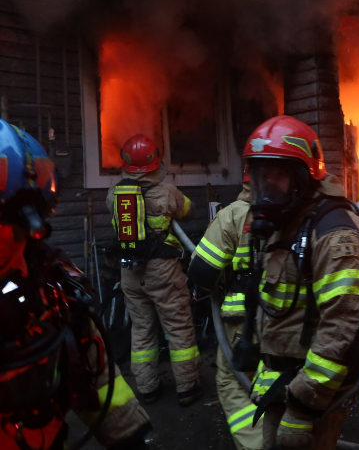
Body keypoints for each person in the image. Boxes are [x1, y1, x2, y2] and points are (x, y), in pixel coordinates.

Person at [0, 120, 151, 449]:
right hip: (152, 267)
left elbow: (94, 372)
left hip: (50, 439)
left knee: (142, 325)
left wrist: (129, 440)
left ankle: (149, 382)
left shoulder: (51, 285)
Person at [242, 115, 359, 450]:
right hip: (280, 382)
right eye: (261, 176)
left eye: (277, 175)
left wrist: (303, 406)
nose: (267, 187)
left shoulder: (334, 232)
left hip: (310, 392)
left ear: (302, 177)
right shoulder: (287, 221)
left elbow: (344, 323)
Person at [106, 134, 202, 406]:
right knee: (178, 326)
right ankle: (187, 387)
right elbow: (189, 212)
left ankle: (147, 388)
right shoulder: (168, 192)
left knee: (141, 328)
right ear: (155, 163)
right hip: (164, 272)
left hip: (130, 272)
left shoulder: (114, 195)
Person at [187, 176, 263, 450]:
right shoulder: (311, 214)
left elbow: (201, 273)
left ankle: (258, 443)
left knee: (234, 381)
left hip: (244, 324)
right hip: (295, 322)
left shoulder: (234, 215)